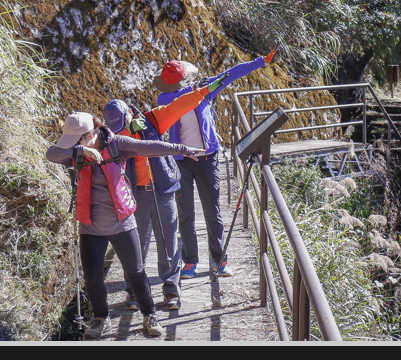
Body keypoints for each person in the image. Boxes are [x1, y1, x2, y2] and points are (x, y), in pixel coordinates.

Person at [45, 85, 214, 340]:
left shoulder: (117, 144)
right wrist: (81, 150)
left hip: (122, 222)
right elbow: (51, 153)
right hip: (90, 226)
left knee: (136, 273)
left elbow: (149, 147)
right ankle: (100, 317)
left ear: (90, 133)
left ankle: (149, 314)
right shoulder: (75, 153)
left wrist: (182, 149)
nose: (73, 146)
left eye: (78, 141)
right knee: (92, 279)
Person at [154, 45, 276, 279]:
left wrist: (262, 61)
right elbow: (175, 104)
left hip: (207, 158)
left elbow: (231, 74)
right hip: (181, 160)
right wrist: (196, 91)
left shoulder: (204, 89)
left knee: (213, 211)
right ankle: (190, 261)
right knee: (185, 213)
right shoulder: (166, 98)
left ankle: (220, 260)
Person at [103, 98, 184, 312]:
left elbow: (180, 106)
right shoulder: (110, 134)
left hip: (162, 191)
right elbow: (111, 147)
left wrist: (201, 91)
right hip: (132, 194)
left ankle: (171, 289)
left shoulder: (150, 120)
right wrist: (127, 132)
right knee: (133, 244)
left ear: (130, 112)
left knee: (168, 241)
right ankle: (135, 290)